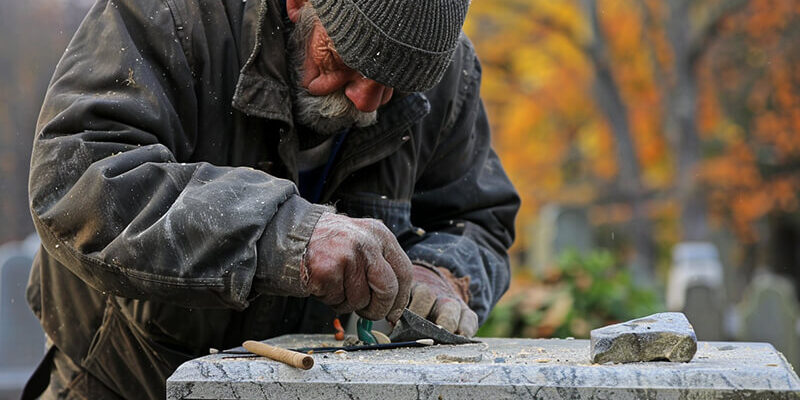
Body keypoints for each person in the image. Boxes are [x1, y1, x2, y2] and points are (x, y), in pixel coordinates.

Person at [25, 0, 519, 398]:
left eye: (395, 86)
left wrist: (444, 273)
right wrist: (287, 236)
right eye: (344, 62)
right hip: (127, 380)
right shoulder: (174, 15)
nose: (366, 103)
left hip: (309, 387)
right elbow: (75, 182)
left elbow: (476, 219)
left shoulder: (445, 70)